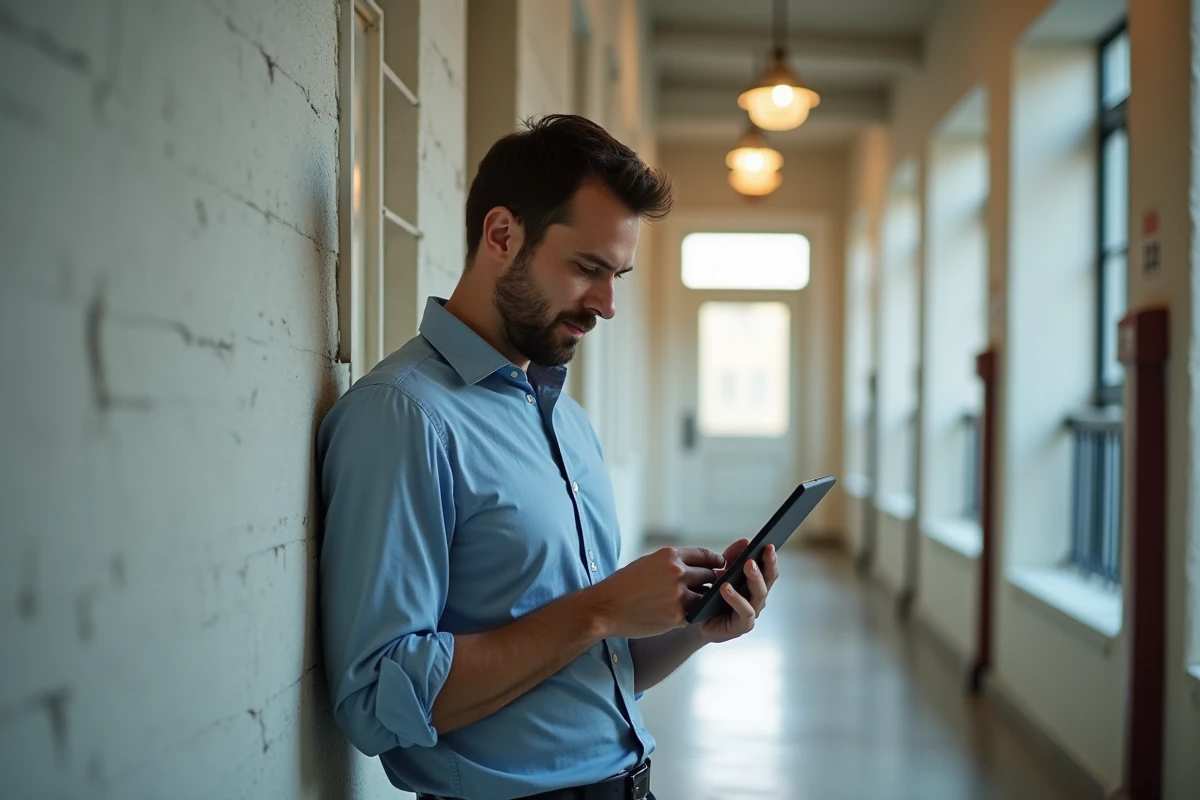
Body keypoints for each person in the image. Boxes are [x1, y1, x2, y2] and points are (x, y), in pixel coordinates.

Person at [317, 114, 780, 800]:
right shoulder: (405, 417)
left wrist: (691, 627)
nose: (608, 304)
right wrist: (599, 608)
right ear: (502, 235)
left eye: (617, 274)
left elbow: (583, 663)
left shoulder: (566, 420)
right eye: (588, 268)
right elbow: (376, 697)